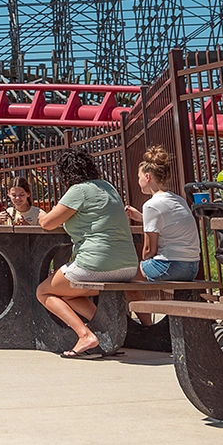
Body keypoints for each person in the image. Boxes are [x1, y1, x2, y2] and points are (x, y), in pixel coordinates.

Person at [35, 148, 138, 358]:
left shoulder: (79, 190)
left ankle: (85, 335)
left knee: (43, 292)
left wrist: (40, 215)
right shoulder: (108, 187)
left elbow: (47, 223)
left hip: (96, 264)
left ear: (65, 173)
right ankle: (105, 329)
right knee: (68, 293)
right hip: (128, 266)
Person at [123, 146, 201, 281]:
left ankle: (134, 303)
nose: (138, 181)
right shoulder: (178, 199)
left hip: (171, 266)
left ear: (147, 177)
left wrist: (144, 262)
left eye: (139, 177)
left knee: (124, 274)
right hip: (192, 266)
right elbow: (170, 223)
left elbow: (149, 251)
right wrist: (142, 218)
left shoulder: (151, 205)